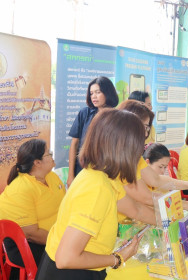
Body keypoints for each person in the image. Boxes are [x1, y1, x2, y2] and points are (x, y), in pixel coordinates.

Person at [36, 109, 156, 280]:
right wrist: (118, 258)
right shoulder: (97, 188)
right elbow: (66, 258)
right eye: (140, 143)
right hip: (71, 273)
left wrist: (172, 219)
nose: (142, 150)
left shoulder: (103, 174)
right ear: (126, 147)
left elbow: (135, 209)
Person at [117, 100, 188, 215]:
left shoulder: (132, 155)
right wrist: (185, 205)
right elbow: (145, 197)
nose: (146, 134)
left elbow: (156, 179)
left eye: (147, 129)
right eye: (144, 127)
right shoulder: (119, 157)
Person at [0, 139, 65, 272]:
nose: (52, 155)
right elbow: (31, 234)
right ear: (37, 163)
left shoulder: (52, 177)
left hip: (55, 236)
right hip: (26, 245)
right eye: (49, 154)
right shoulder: (20, 189)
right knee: (72, 262)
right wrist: (63, 243)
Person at [67, 76, 119, 187]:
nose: (93, 97)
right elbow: (74, 144)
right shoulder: (84, 113)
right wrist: (70, 175)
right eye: (91, 93)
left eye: (97, 92)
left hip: (106, 174)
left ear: (108, 92)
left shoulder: (118, 117)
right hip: (82, 171)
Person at [142, 142, 188, 217]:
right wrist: (185, 204)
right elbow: (149, 200)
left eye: (165, 167)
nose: (163, 171)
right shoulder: (139, 179)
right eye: (160, 167)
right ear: (147, 162)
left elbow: (167, 181)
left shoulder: (156, 179)